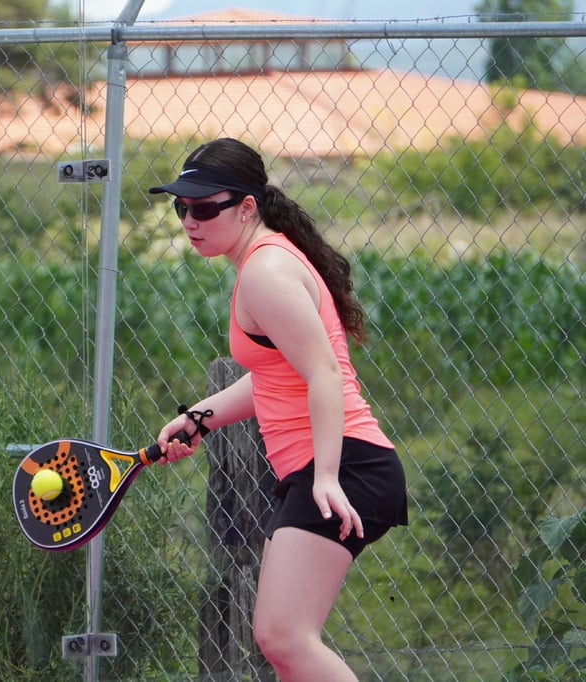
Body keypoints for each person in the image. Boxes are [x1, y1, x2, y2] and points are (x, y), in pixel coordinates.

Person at [149, 138, 408, 682]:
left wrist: (327, 476)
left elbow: (324, 374)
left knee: (284, 638)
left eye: (203, 208)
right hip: (328, 466)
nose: (190, 221)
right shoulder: (265, 261)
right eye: (181, 207)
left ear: (246, 207)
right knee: (282, 645)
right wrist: (199, 418)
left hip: (346, 467)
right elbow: (275, 375)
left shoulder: (265, 271)